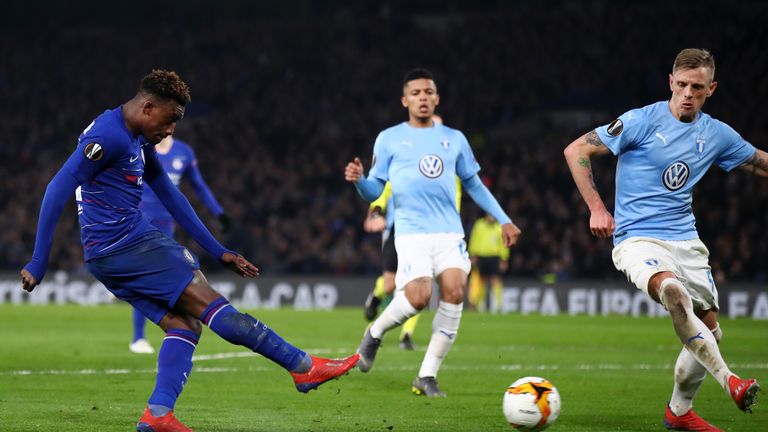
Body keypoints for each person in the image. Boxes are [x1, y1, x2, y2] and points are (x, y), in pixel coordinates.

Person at [21, 70, 359, 432]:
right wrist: (39, 261)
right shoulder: (109, 135)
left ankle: (158, 415)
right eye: (169, 121)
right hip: (127, 242)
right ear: (148, 107)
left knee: (184, 324)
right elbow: (57, 187)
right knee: (212, 303)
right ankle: (303, 367)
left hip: (106, 255)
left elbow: (169, 193)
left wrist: (217, 250)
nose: (170, 132)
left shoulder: (135, 135)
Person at [563, 48, 762, 431]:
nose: (688, 92)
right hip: (637, 239)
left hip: (686, 241)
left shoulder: (716, 134)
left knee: (710, 330)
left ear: (711, 89)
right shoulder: (640, 121)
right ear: (670, 82)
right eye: (682, 84)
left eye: (697, 87)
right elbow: (577, 149)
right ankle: (731, 382)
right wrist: (597, 208)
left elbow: (757, 162)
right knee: (673, 292)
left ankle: (680, 413)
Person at [345, 68, 521, 397]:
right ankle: (376, 331)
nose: (422, 98)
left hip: (449, 232)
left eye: (428, 92)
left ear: (437, 98)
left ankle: (426, 376)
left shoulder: (454, 139)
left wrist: (504, 218)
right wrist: (358, 181)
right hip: (410, 233)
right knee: (419, 297)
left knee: (455, 292)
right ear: (405, 100)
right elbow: (374, 190)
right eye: (416, 93)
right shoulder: (389, 138)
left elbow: (474, 185)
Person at [130, 134, 231, 354]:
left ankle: (155, 331)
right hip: (138, 219)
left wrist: (218, 213)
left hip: (167, 223)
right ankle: (138, 337)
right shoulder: (140, 148)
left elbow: (199, 186)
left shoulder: (184, 152)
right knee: (147, 274)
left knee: (157, 276)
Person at [467, 213, 509, 313]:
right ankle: (481, 305)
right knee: (481, 281)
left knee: (496, 280)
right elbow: (474, 239)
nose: (491, 218)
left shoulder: (499, 227)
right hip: (481, 256)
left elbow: (504, 243)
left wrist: (504, 259)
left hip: (494, 257)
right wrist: (472, 254)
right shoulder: (479, 225)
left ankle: (498, 305)